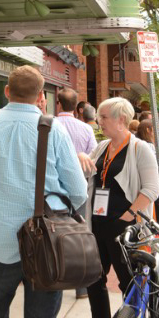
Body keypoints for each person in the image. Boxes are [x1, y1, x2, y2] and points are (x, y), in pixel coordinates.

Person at [0, 65, 87, 318]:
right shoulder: (54, 129)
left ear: (7, 91)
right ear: (41, 96)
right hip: (46, 244)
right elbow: (78, 191)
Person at [85, 98, 159, 318]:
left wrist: (128, 215)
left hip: (125, 229)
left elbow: (152, 188)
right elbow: (86, 168)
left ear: (122, 120)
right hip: (97, 224)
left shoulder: (140, 149)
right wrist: (79, 157)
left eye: (104, 117)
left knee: (129, 283)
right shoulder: (102, 147)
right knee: (94, 280)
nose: (99, 122)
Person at [56, 87, 97, 299]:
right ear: (77, 108)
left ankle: (55, 278)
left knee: (54, 233)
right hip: (80, 186)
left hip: (54, 190)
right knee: (79, 234)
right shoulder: (86, 129)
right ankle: (81, 288)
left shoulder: (49, 126)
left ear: (58, 103)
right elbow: (93, 158)